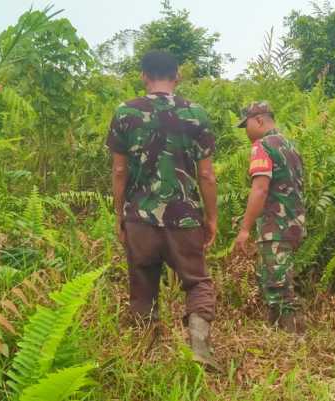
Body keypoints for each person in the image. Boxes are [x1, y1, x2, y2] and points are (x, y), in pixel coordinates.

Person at [106, 50, 220, 370]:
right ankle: (199, 346)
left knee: (142, 283)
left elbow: (118, 172)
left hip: (139, 217)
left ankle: (145, 357)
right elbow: (207, 174)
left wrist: (120, 214)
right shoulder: (196, 114)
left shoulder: (125, 112)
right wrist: (211, 217)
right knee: (197, 282)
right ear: (177, 76)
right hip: (184, 217)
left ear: (143, 75)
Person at [233, 101, 307, 333]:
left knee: (279, 287)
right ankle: (276, 334)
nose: (246, 131)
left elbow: (260, 189)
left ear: (259, 120)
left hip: (275, 225)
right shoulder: (289, 144)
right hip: (294, 224)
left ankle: (295, 340)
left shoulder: (262, 146)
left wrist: (245, 229)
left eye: (246, 125)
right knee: (274, 279)